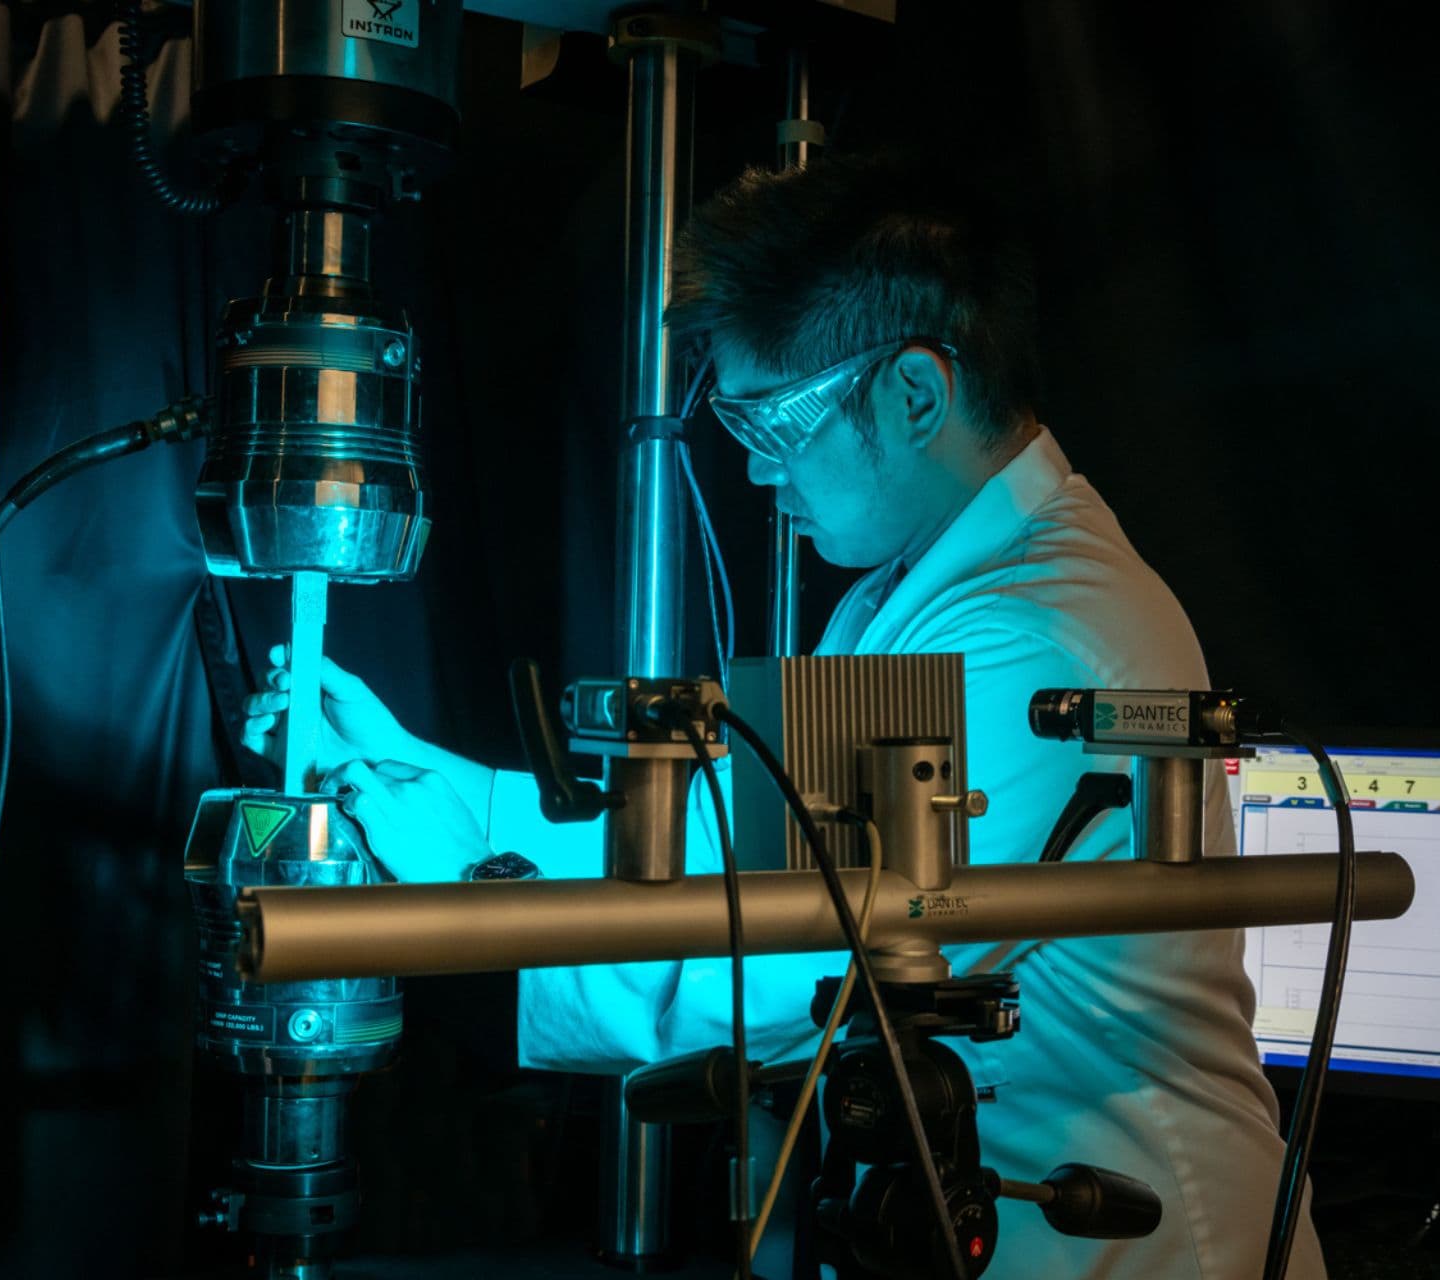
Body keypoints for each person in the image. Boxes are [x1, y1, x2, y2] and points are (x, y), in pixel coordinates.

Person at [245, 153, 1325, 1279]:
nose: (758, 473)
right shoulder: (923, 586)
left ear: (915, 394)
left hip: (1121, 1239)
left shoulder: (1031, 642)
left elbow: (792, 961)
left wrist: (462, 890)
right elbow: (741, 845)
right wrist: (432, 778)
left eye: (771, 425)